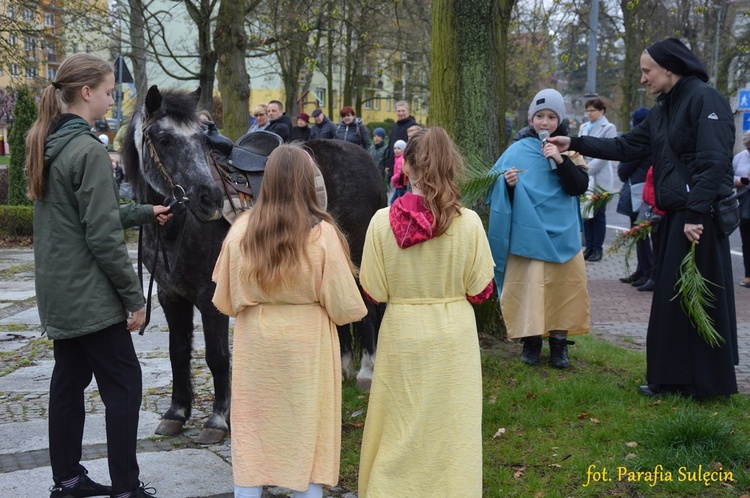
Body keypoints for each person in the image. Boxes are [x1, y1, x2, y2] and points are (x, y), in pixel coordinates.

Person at [549, 37, 738, 398]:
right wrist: (572, 143)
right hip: (676, 215)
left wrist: (696, 213)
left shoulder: (705, 99)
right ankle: (673, 380)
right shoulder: (664, 108)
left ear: (670, 68)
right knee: (673, 302)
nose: (643, 79)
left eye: (647, 70)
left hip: (696, 218)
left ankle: (705, 385)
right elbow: (626, 146)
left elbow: (714, 161)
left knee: (697, 300)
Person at [25, 53, 172, 498]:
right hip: (90, 294)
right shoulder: (86, 148)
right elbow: (102, 234)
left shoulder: (46, 142)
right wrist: (134, 298)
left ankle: (67, 479)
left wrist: (146, 210)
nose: (112, 99)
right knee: (124, 383)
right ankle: (127, 488)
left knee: (68, 384)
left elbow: (87, 216)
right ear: (86, 92)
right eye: (109, 91)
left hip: (60, 292)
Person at [211, 144, 367, 498]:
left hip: (258, 344)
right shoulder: (322, 233)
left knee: (253, 430)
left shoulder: (241, 230)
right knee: (305, 431)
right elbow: (346, 306)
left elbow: (226, 298)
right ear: (308, 182)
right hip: (307, 343)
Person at [358, 127, 494, 498]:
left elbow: (374, 290)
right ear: (452, 167)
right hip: (453, 336)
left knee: (398, 420)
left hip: (402, 329)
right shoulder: (469, 224)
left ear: (407, 167)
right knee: (452, 424)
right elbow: (480, 291)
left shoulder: (380, 222)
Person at [487, 88, 590, 368]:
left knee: (563, 289)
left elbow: (579, 187)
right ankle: (531, 342)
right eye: (540, 116)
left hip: (563, 234)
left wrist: (559, 158)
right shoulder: (517, 150)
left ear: (560, 120)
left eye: (551, 117)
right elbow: (491, 187)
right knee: (529, 288)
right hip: (528, 234)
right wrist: (505, 185)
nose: (545, 123)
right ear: (531, 118)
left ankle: (559, 345)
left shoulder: (571, 149)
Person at [615, 107, 655, 290]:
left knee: (641, 233)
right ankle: (642, 270)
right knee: (642, 233)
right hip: (649, 191)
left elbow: (624, 169)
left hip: (639, 191)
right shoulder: (656, 138)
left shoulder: (640, 141)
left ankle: (646, 271)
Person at [579, 97, 617, 262]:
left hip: (599, 176)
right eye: (587, 111)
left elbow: (606, 153)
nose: (589, 114)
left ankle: (597, 249)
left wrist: (587, 169)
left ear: (601, 111)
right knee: (586, 213)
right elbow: (579, 149)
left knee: (599, 214)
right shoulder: (583, 127)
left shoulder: (609, 128)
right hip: (586, 175)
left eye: (592, 111)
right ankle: (588, 247)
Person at [733, 130, 750, 288]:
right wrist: (739, 180)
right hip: (745, 203)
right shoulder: (739, 158)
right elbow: (728, 176)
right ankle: (748, 276)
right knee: (747, 241)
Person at [383, 100, 417, 177]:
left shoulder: (413, 126)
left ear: (408, 111)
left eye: (403, 111)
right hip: (393, 165)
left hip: (405, 166)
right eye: (399, 111)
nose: (401, 113)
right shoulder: (394, 126)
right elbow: (390, 146)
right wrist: (388, 164)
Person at [389, 139, 408, 204]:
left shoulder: (400, 160)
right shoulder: (397, 158)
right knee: (394, 202)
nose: (396, 150)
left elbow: (399, 173)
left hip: (400, 185)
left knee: (395, 202)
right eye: (395, 148)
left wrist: (392, 179)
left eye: (399, 148)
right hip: (398, 186)